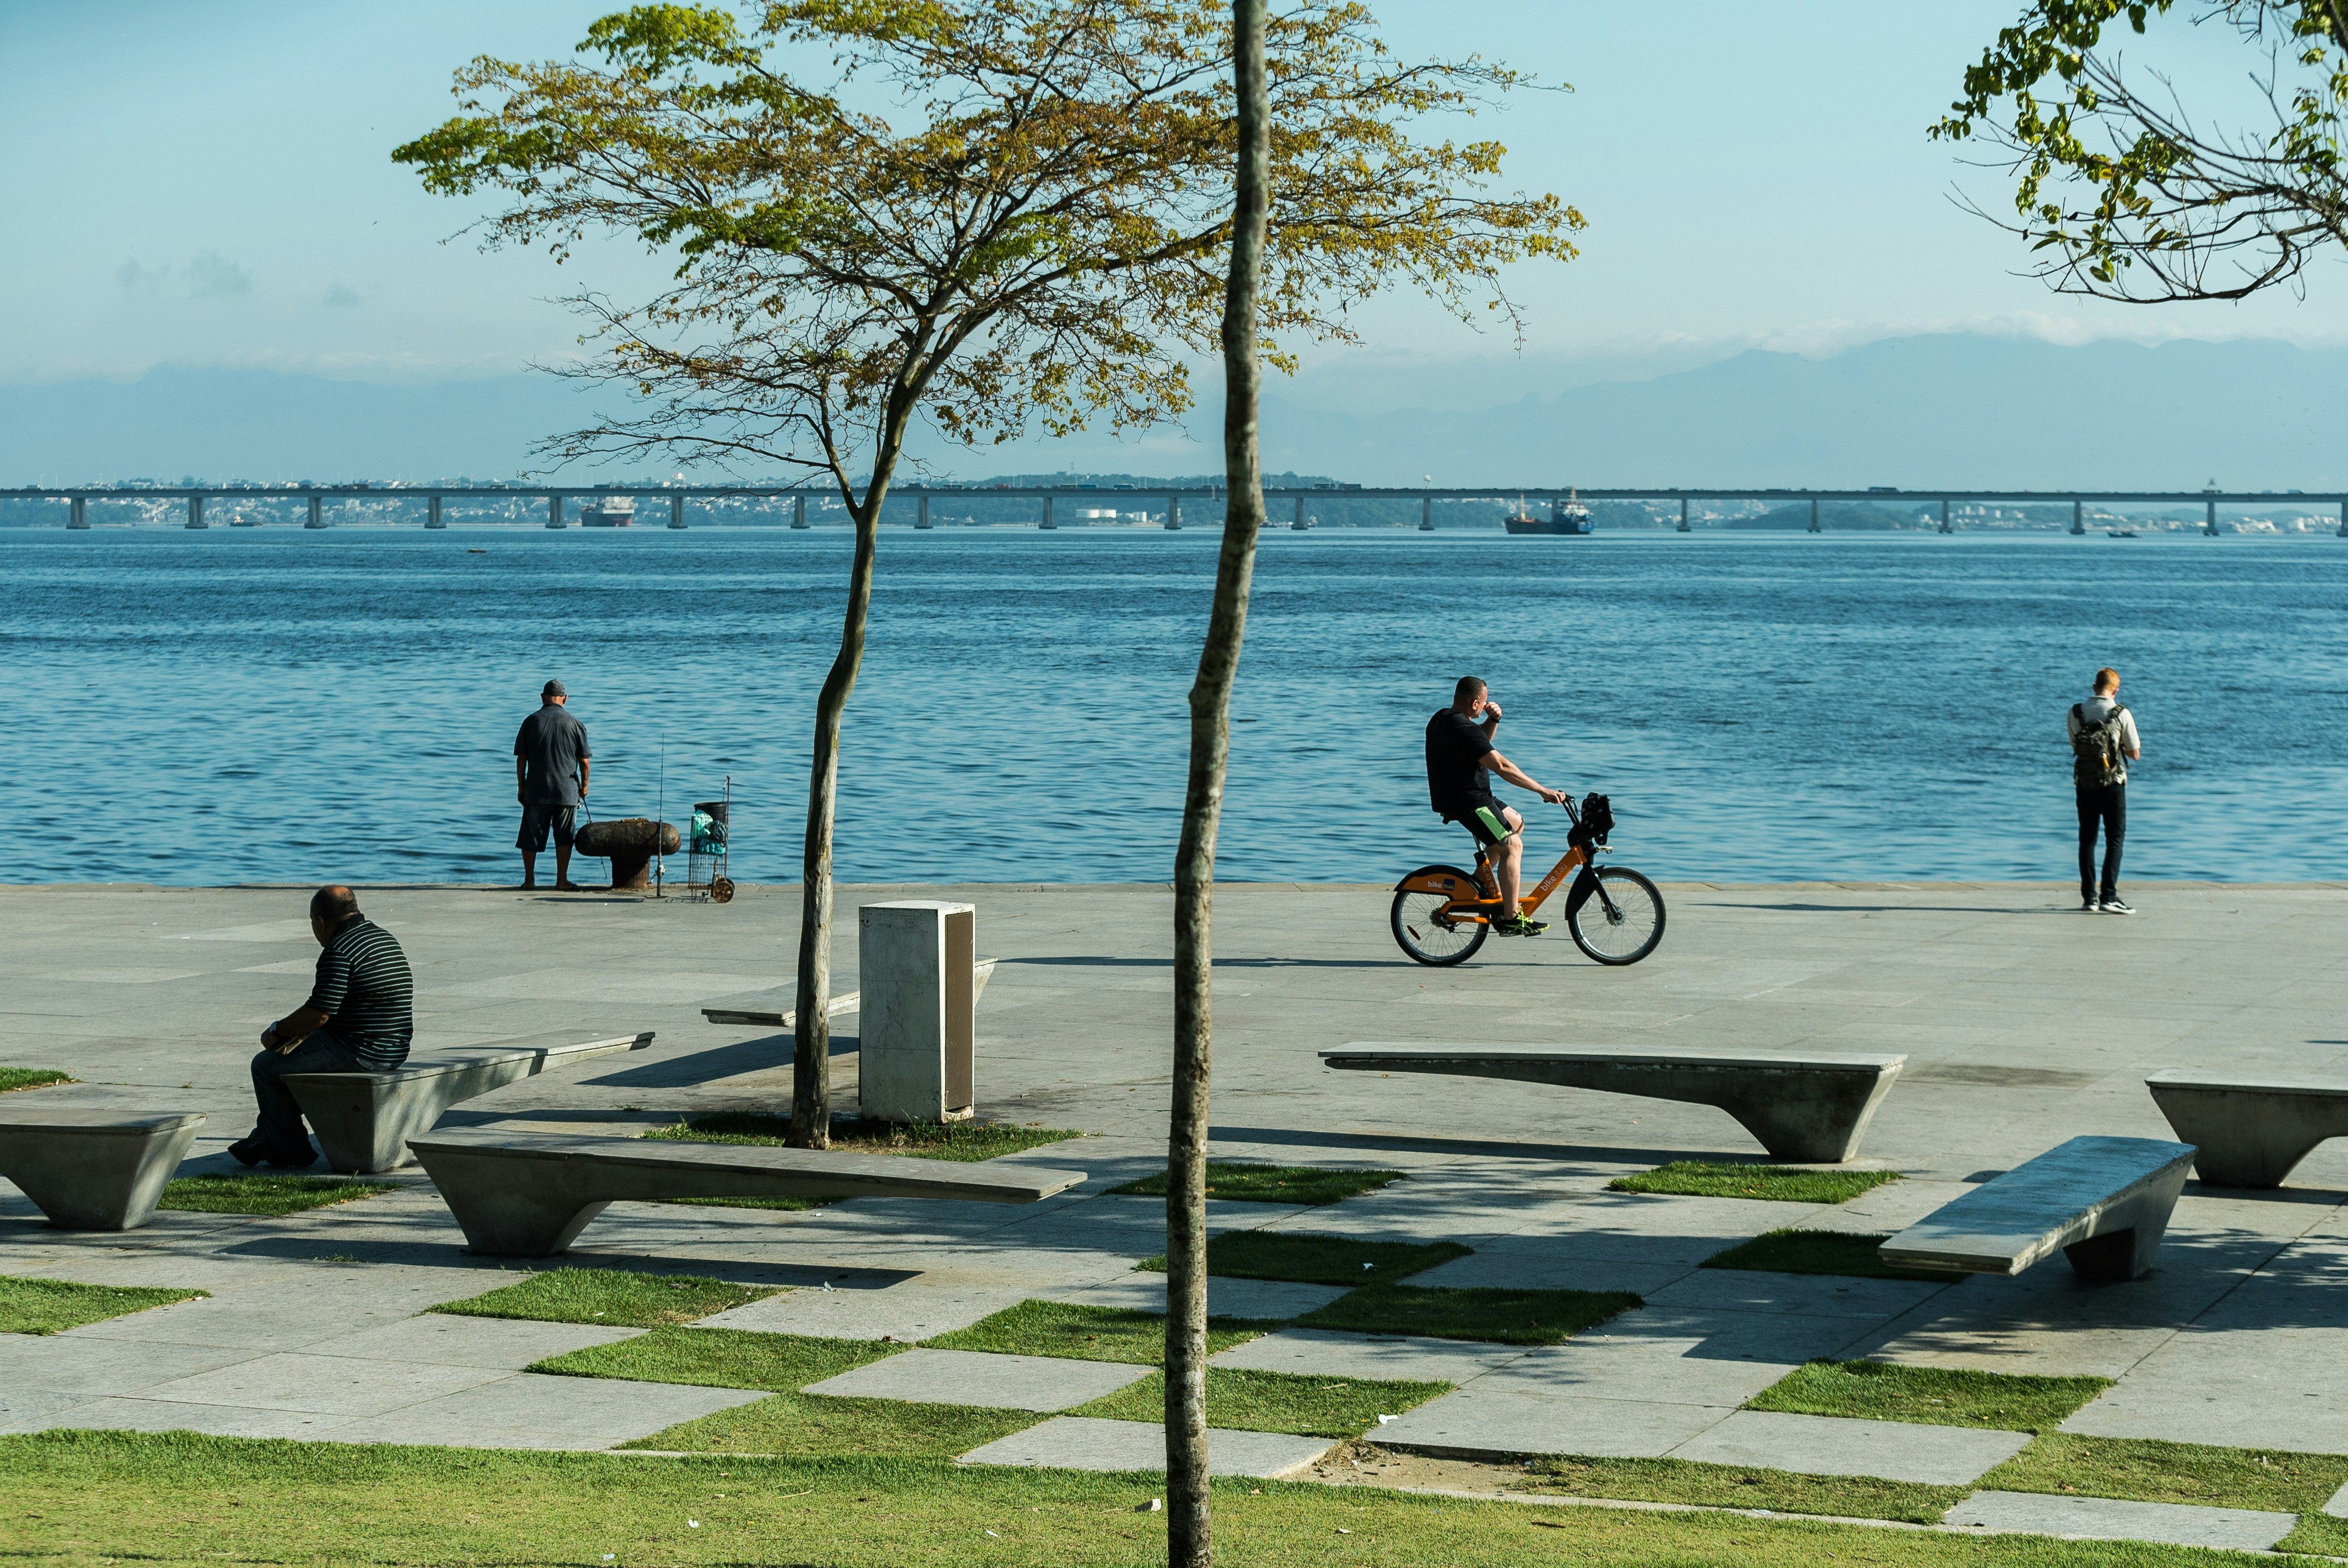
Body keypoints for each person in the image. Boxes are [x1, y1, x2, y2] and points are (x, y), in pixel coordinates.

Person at [231, 885, 414, 1168]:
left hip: (362, 1051)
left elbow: (319, 1014)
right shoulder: (381, 937)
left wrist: (276, 1031)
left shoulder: (339, 950)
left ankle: (291, 1151)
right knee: (290, 1060)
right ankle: (265, 1139)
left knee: (266, 1066)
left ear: (320, 921)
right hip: (395, 1046)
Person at [1425, 676, 1569, 936]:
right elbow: (1502, 767)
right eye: (1482, 705)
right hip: (1469, 802)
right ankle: (1511, 917)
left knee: (1515, 823)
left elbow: (1478, 744)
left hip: (1473, 797)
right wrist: (1543, 791)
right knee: (1512, 846)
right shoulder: (1461, 727)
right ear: (1476, 702)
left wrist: (1493, 721)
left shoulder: (1444, 719)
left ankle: (1475, 888)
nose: (1483, 708)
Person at [2067, 667, 2141, 915]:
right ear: (2116, 690)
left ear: (2094, 687)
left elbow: (2076, 744)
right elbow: (2135, 754)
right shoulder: (2122, 713)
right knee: (2115, 840)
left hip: (2084, 784)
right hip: (2113, 785)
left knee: (2087, 841)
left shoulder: (2076, 712)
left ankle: (2089, 898)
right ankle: (2109, 896)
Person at [515, 678, 591, 891]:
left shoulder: (530, 721)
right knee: (565, 837)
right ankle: (562, 881)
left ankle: (529, 881)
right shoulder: (575, 723)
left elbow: (521, 759)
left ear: (542, 698)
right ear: (565, 699)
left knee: (530, 836)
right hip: (566, 790)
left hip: (536, 790)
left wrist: (521, 787)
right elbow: (584, 762)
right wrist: (584, 787)